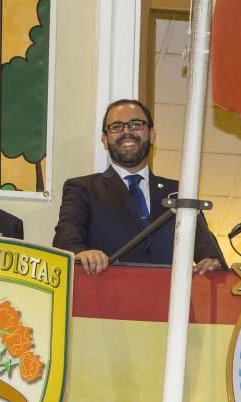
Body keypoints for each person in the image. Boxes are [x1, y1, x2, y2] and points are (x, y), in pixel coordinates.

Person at [53, 99, 223, 275]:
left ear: (152, 135)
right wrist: (82, 255)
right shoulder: (82, 188)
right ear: (104, 140)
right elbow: (65, 241)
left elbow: (211, 254)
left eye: (136, 124)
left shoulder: (179, 193)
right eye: (117, 126)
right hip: (105, 298)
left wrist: (211, 262)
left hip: (168, 300)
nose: (127, 131)